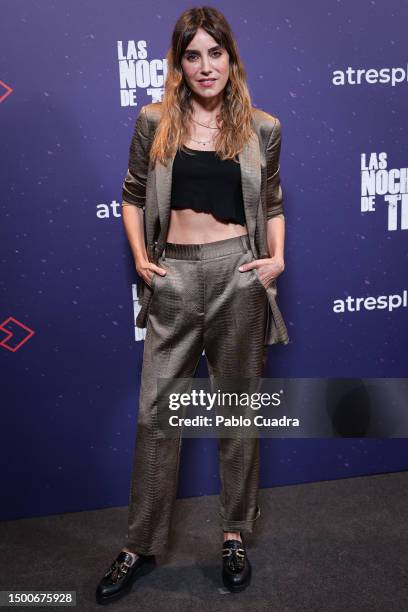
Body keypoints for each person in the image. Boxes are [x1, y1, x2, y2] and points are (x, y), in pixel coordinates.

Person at [96, 5, 288, 605]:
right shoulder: (154, 122)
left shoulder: (262, 127)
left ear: (231, 58)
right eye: (193, 55)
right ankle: (139, 544)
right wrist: (140, 259)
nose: (206, 66)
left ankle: (233, 534)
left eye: (216, 53)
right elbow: (131, 197)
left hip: (239, 276)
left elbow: (274, 202)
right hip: (173, 277)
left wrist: (276, 260)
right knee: (158, 415)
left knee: (235, 415)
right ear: (178, 64)